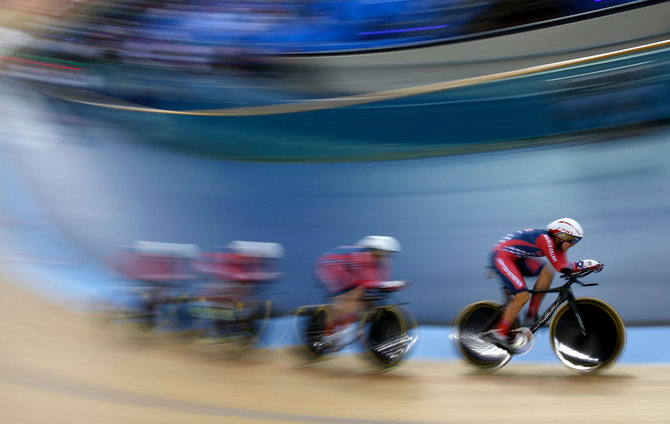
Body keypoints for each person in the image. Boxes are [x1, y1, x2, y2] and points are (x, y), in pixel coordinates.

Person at [482, 218, 603, 351]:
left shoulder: (558, 245)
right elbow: (561, 267)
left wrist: (585, 268)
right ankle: (499, 334)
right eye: (572, 240)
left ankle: (531, 315)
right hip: (501, 256)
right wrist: (585, 264)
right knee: (522, 296)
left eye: (576, 240)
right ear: (561, 236)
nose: (573, 244)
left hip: (516, 258)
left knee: (547, 272)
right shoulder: (545, 239)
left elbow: (564, 267)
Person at [315, 235, 403, 349]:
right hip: (329, 267)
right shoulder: (361, 257)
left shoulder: (382, 261)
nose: (383, 256)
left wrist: (389, 285)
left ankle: (351, 323)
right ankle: (329, 331)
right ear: (370, 251)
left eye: (386, 253)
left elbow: (381, 281)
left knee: (366, 297)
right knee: (354, 293)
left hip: (348, 268)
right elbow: (365, 282)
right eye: (379, 253)